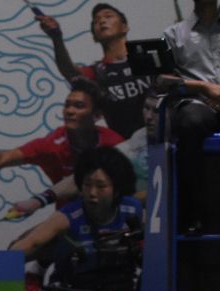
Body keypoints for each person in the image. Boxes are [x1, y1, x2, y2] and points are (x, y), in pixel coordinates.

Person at [0, 77, 125, 204]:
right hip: (67, 220)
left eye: (79, 106)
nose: (70, 111)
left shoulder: (114, 144)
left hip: (110, 216)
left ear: (97, 114)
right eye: (67, 105)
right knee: (22, 248)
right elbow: (0, 159)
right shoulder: (51, 145)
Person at [9, 146, 143, 291]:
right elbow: (31, 243)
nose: (92, 192)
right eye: (87, 185)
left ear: (117, 190)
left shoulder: (133, 211)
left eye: (101, 186)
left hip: (118, 290)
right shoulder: (68, 216)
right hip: (72, 289)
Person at [36, 3, 152, 139]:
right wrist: (56, 37)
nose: (102, 21)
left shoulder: (148, 57)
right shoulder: (97, 73)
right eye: (96, 21)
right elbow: (69, 71)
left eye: (108, 16)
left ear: (125, 27)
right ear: (95, 37)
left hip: (167, 139)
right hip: (131, 150)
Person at [162, 0, 220, 232]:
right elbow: (162, 81)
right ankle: (193, 213)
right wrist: (204, 88)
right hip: (200, 104)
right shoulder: (173, 34)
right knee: (189, 121)